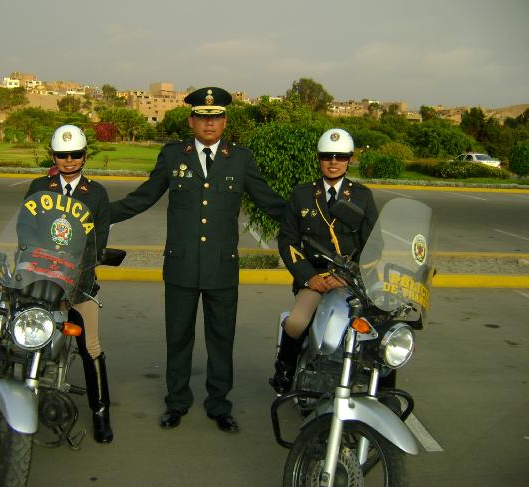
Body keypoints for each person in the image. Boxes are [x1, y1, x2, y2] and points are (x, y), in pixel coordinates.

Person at [110, 87, 286, 433]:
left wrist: (308, 223)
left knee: (222, 339)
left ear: (225, 121)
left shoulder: (240, 159)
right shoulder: (174, 156)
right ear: (191, 120)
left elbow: (269, 201)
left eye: (216, 117)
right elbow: (144, 196)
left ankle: (219, 404)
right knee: (178, 337)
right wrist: (100, 215)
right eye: (203, 117)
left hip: (222, 266)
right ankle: (176, 402)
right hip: (181, 265)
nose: (210, 123)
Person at [23, 124, 113, 443]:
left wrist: (77, 286)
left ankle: (101, 412)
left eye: (75, 154)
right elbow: (28, 233)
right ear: (54, 156)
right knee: (18, 331)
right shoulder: (38, 186)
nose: (69, 160)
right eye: (63, 155)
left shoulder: (97, 194)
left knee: (91, 347)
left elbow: (96, 245)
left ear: (85, 156)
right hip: (41, 280)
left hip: (78, 283)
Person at [270, 128, 378, 393]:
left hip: (350, 278)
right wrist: (309, 277)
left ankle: (379, 382)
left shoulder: (362, 196)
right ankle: (285, 367)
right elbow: (289, 240)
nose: (333, 162)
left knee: (377, 329)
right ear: (318, 158)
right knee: (297, 322)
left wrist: (349, 274)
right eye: (327, 156)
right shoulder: (302, 194)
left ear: (350, 159)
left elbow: (374, 244)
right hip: (314, 276)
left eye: (340, 157)